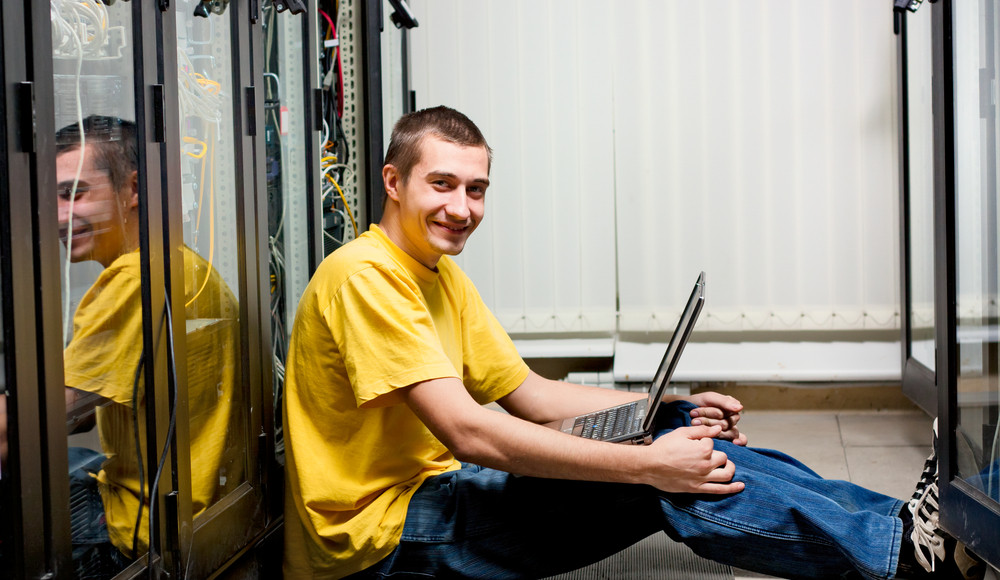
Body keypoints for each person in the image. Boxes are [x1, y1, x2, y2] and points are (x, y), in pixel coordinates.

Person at [282, 106, 983, 580]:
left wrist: (664, 402)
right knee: (661, 474)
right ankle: (903, 558)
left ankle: (898, 526)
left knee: (674, 431)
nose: (462, 209)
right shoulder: (365, 278)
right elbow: (473, 435)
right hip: (384, 541)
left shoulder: (434, 275)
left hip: (433, 495)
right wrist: (647, 467)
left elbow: (529, 395)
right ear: (393, 182)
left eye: (476, 188)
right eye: (442, 184)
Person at [55, 115, 243, 575]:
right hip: (206, 524)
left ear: (134, 189)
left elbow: (41, 422)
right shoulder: (181, 262)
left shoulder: (133, 280)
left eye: (74, 194)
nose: (60, 216)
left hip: (143, 539)